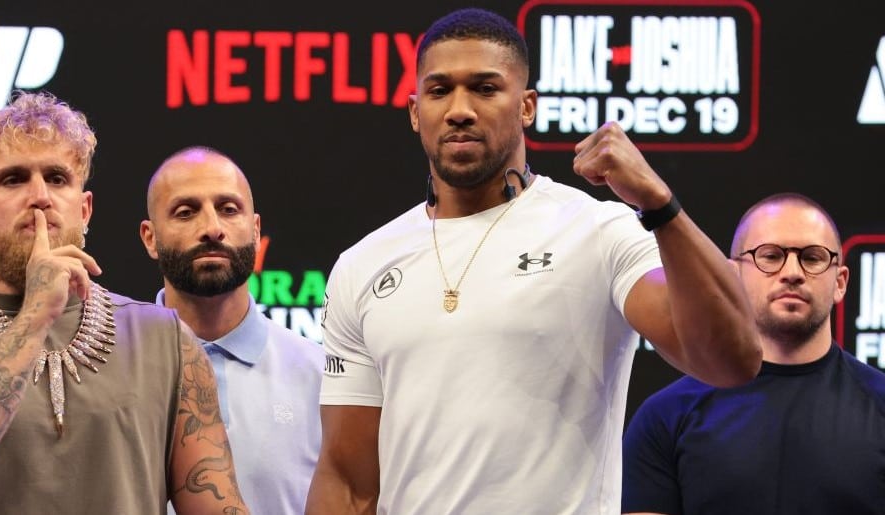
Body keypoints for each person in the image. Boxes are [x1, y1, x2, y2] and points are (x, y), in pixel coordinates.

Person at [306, 8, 762, 514]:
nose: (459, 109)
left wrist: (658, 203)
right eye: (440, 91)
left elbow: (732, 359)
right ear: (416, 112)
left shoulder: (596, 230)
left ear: (526, 107)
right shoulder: (363, 263)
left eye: (484, 88)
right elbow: (348, 481)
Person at [0, 92, 248, 514]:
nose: (40, 197)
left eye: (57, 178)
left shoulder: (166, 340)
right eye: (13, 179)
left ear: (84, 209)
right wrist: (36, 314)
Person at [622, 193, 885, 515]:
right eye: (770, 256)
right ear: (733, 276)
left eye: (813, 258)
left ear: (840, 282)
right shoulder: (667, 416)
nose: (792, 272)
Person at [140, 146, 324, 515]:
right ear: (150, 237)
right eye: (185, 212)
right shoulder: (111, 368)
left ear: (255, 230)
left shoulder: (320, 376)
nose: (211, 229)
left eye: (228, 209)